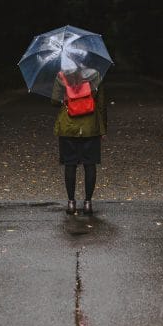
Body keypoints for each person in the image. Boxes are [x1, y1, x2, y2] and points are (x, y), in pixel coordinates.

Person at [52, 59, 107, 215]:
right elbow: (101, 104)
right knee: (90, 165)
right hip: (91, 128)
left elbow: (54, 101)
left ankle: (71, 203)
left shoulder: (61, 76)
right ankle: (88, 203)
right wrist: (103, 128)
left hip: (68, 128)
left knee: (70, 164)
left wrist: (65, 97)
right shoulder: (96, 76)